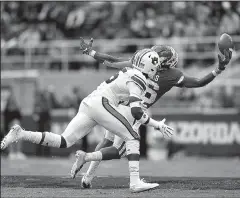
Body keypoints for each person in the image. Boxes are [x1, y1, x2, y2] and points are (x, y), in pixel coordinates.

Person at [1, 49, 174, 193]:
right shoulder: (141, 79)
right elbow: (136, 111)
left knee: (64, 141)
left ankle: (21, 133)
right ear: (152, 67)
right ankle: (135, 182)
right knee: (133, 137)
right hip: (102, 104)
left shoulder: (129, 71)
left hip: (89, 102)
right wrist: (157, 124)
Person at [76, 38, 232, 188]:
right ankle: (88, 158)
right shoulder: (173, 75)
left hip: (119, 105)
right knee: (119, 150)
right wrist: (218, 69)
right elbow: (199, 82)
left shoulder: (143, 63)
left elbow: (112, 61)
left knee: (106, 141)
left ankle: (87, 178)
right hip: (134, 112)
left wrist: (91, 52)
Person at [3, 88, 26, 160]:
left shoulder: (16, 108)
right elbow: (6, 118)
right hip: (10, 126)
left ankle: (18, 152)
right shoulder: (6, 108)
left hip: (16, 126)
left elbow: (20, 116)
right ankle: (11, 152)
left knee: (18, 138)